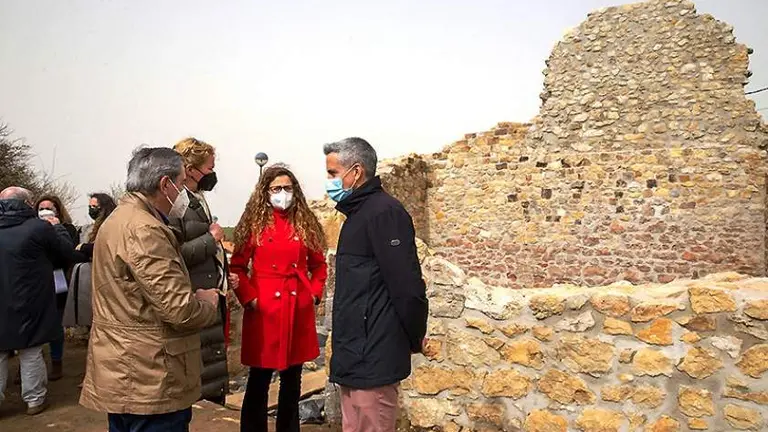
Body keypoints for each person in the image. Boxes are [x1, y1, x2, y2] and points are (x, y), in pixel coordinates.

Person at [79, 147, 220, 432]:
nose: (183, 192)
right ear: (165, 184)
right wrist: (207, 301)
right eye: (181, 184)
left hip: (125, 368)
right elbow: (180, 312)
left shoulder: (119, 219)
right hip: (151, 376)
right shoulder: (145, 230)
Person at [323, 138, 428, 432]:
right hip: (353, 358)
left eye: (333, 173)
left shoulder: (385, 213)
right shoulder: (356, 215)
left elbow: (407, 287)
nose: (329, 181)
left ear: (355, 172)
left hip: (374, 357)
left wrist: (414, 336)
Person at [230, 165, 328, 432]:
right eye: (276, 189)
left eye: (287, 188)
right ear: (265, 192)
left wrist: (314, 295)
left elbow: (319, 266)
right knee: (259, 378)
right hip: (264, 310)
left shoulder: (305, 223)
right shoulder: (254, 224)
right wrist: (250, 299)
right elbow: (237, 267)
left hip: (297, 306)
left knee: (292, 379)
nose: (283, 193)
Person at [0, 186, 76, 415]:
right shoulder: (39, 228)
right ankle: (34, 400)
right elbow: (67, 253)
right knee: (31, 348)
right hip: (31, 297)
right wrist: (58, 228)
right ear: (28, 203)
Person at [169, 137, 230, 405]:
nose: (212, 173)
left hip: (209, 290)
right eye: (209, 167)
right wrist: (211, 239)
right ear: (191, 169)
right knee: (200, 372)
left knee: (211, 363)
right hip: (195, 293)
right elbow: (172, 255)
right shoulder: (176, 204)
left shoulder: (196, 198)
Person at [34, 194, 78, 381]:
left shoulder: (66, 229)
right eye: (41, 208)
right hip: (34, 281)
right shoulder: (31, 229)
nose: (44, 211)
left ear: (57, 210)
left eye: (49, 207)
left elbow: (69, 253)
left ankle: (56, 361)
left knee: (56, 322)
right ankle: (32, 367)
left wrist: (56, 228)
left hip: (58, 277)